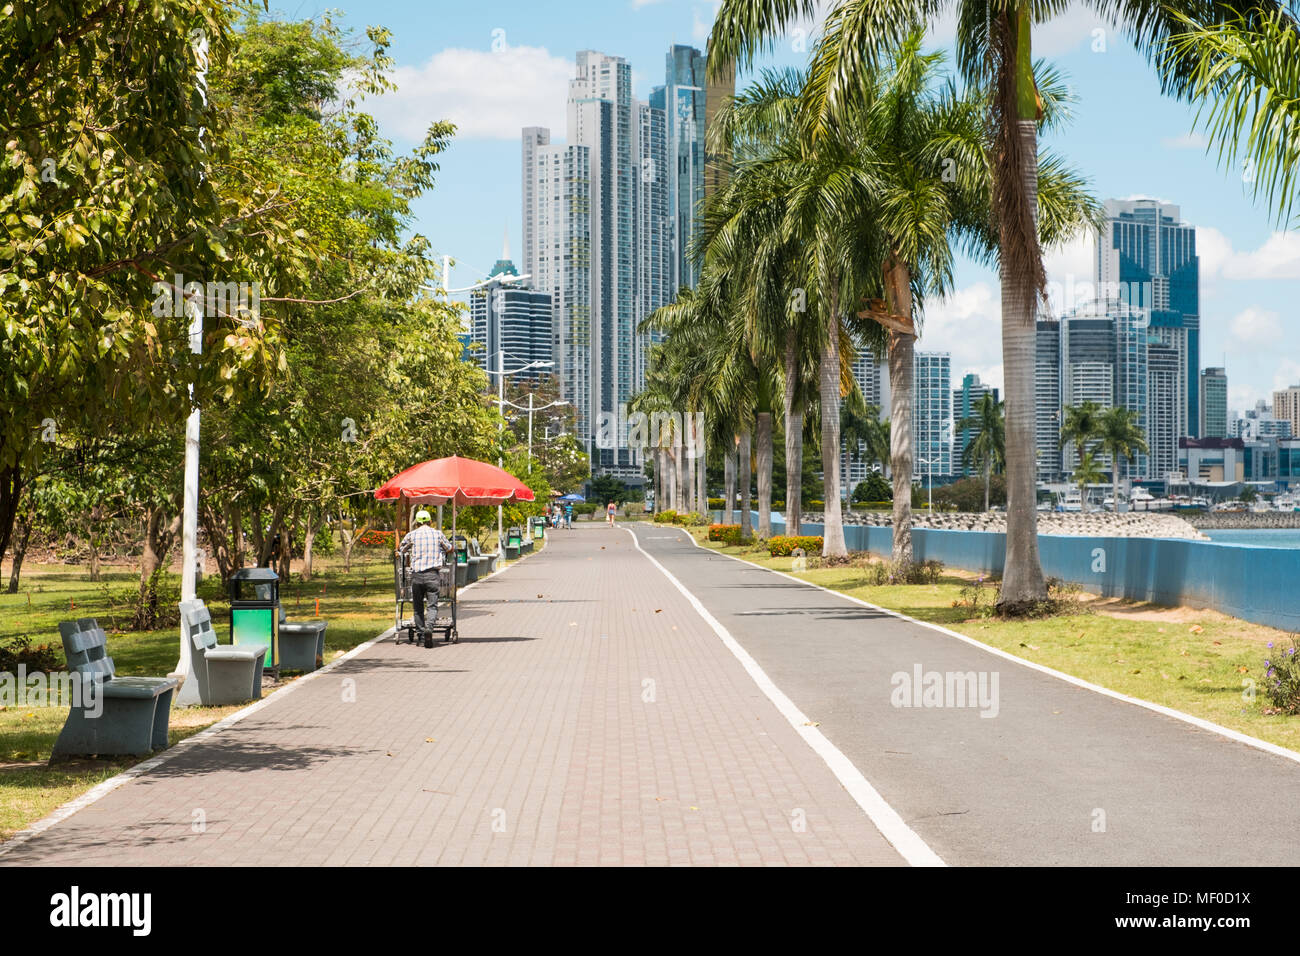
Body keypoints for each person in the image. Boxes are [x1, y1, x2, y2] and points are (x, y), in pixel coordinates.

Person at [399, 509, 452, 637]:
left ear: (417, 522)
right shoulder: (438, 534)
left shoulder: (412, 535)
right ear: (430, 521)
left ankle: (421, 633)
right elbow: (449, 548)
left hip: (416, 576)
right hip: (433, 575)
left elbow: (401, 549)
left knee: (418, 607)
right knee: (432, 605)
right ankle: (429, 627)